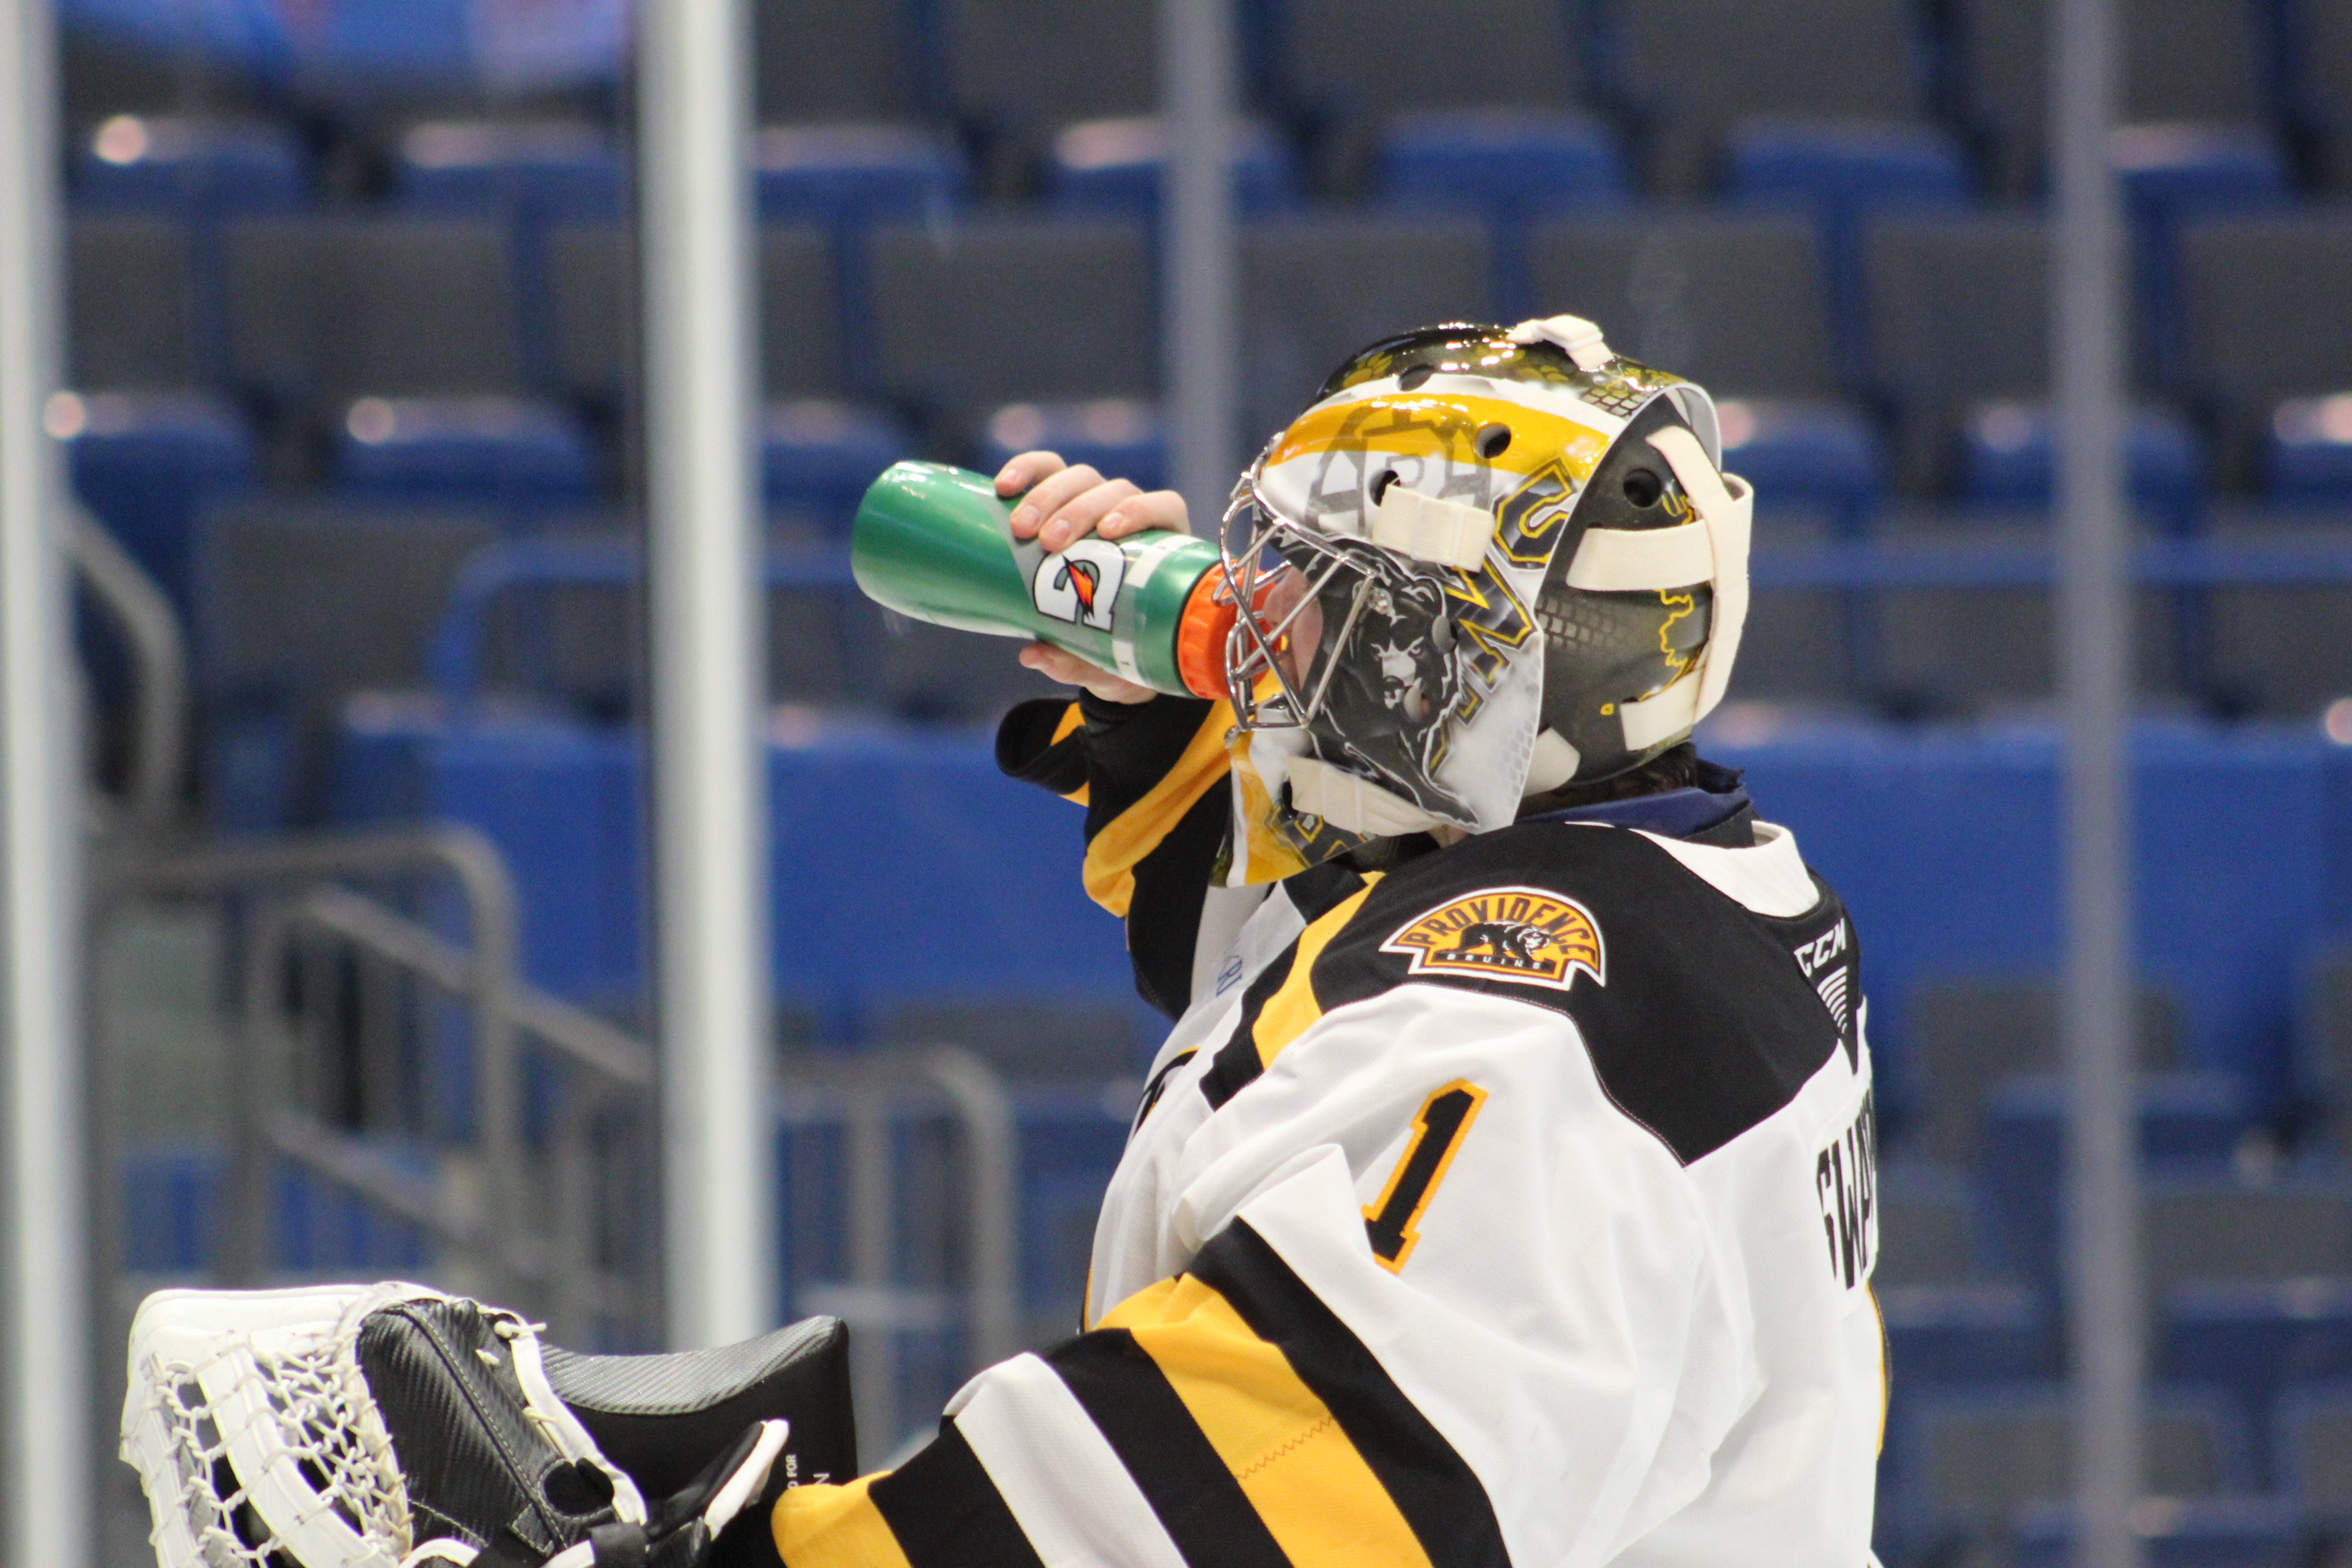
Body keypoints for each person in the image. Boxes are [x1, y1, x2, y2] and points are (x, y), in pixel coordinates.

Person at [760, 316, 1884, 1568]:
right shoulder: (1662, 881)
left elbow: (1230, 1512)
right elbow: (1277, 974)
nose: (1259, 614)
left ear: (1455, 673)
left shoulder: (1519, 1052)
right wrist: (1154, 725)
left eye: (1328, 592)